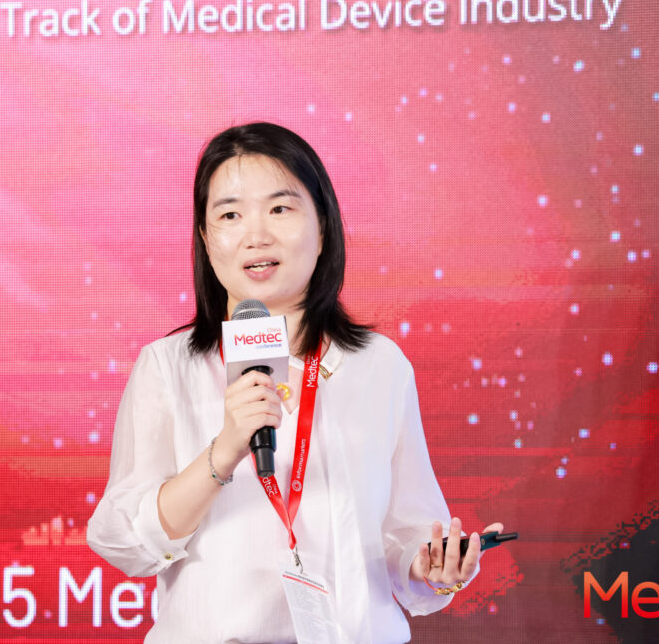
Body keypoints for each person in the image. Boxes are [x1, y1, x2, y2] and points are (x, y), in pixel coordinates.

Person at [87, 122, 502, 643]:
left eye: (280, 209)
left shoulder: (379, 365)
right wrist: (224, 451)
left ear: (322, 226)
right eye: (231, 215)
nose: (256, 235)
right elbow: (124, 541)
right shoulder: (168, 367)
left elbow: (404, 535)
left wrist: (430, 566)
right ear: (206, 239)